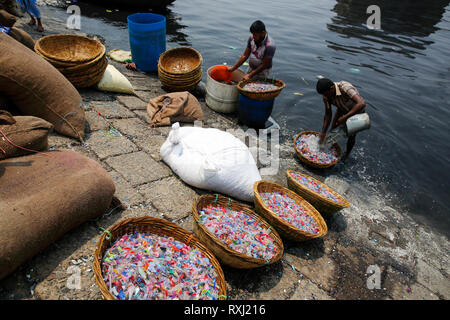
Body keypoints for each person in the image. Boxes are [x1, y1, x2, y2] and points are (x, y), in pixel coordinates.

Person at [316, 78, 366, 160]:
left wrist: (344, 118)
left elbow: (361, 103)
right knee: (333, 130)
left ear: (332, 88)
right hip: (341, 108)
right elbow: (328, 114)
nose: (325, 96)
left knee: (352, 135)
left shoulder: (344, 87)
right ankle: (328, 148)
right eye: (323, 95)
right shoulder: (326, 96)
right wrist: (323, 132)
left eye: (326, 94)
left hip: (356, 110)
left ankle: (347, 154)